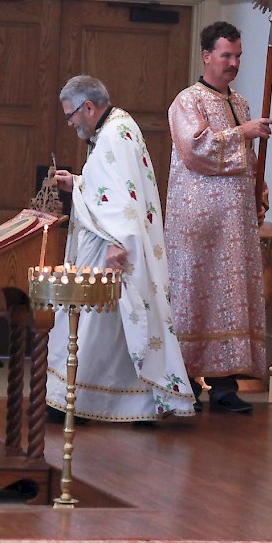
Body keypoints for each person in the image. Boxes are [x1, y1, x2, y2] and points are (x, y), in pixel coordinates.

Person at [48, 75, 195, 422]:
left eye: (70, 116)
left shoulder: (115, 133)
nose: (70, 123)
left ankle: (75, 401)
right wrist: (78, 183)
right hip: (110, 241)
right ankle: (112, 402)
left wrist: (118, 244)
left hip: (112, 247)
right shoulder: (116, 127)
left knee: (95, 323)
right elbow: (115, 190)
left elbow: (125, 204)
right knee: (107, 326)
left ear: (88, 107)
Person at [165, 22, 272, 414]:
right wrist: (243, 133)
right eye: (226, 55)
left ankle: (225, 385)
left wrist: (259, 194)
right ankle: (184, 384)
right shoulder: (187, 101)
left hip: (235, 222)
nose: (233, 63)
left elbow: (248, 160)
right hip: (198, 220)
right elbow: (197, 150)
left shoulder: (239, 103)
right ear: (207, 56)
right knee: (194, 296)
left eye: (238, 56)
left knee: (231, 299)